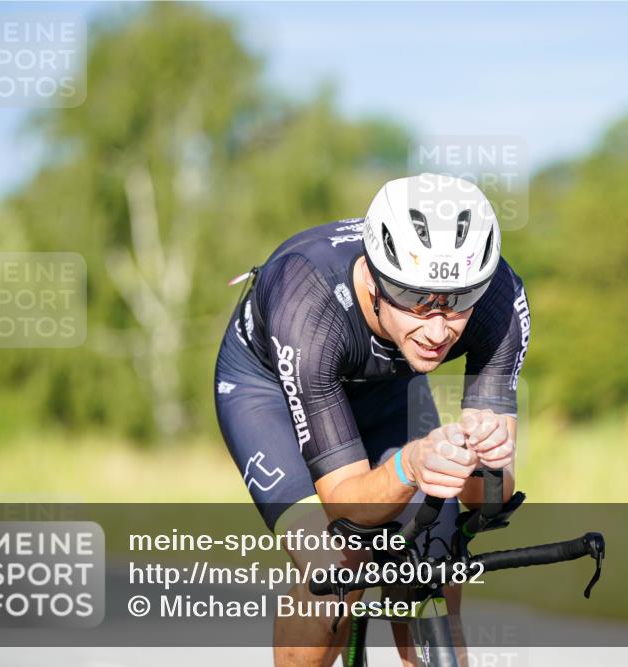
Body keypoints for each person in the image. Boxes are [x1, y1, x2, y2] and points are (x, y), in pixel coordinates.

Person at [214, 173, 531, 665]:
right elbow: (347, 507)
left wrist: (484, 466)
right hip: (268, 391)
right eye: (416, 299)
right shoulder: (308, 299)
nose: (438, 329)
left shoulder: (498, 301)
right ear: (376, 278)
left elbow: (491, 497)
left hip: (388, 390)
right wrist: (410, 467)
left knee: (432, 559)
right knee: (335, 565)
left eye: (459, 301)